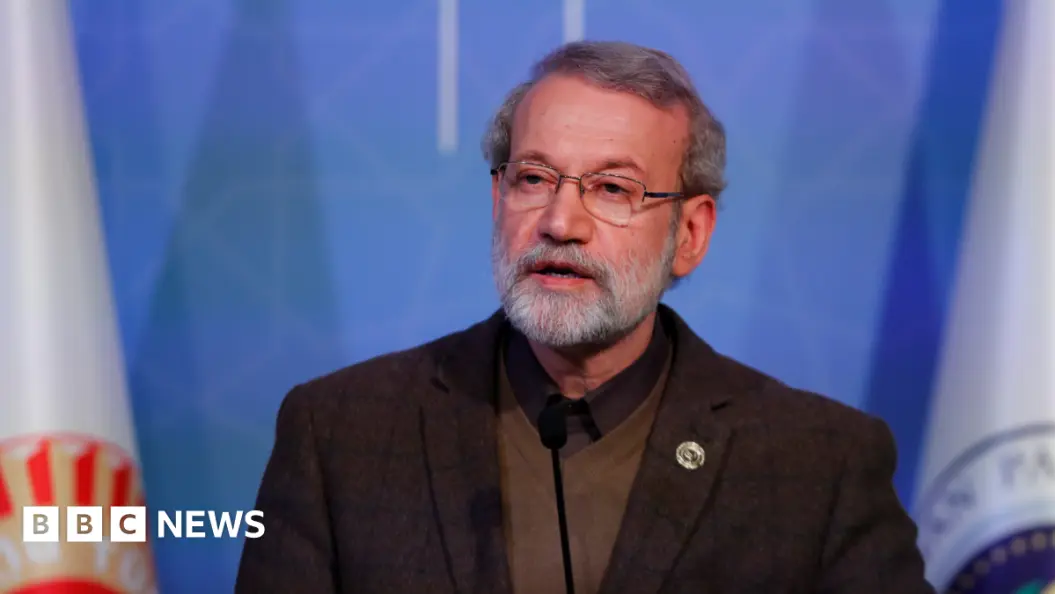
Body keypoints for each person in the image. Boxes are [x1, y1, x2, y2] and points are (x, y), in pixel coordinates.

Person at [236, 40, 935, 594]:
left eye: (612, 188)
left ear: (690, 234)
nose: (560, 222)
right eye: (533, 178)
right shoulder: (338, 434)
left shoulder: (818, 466)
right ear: (497, 201)